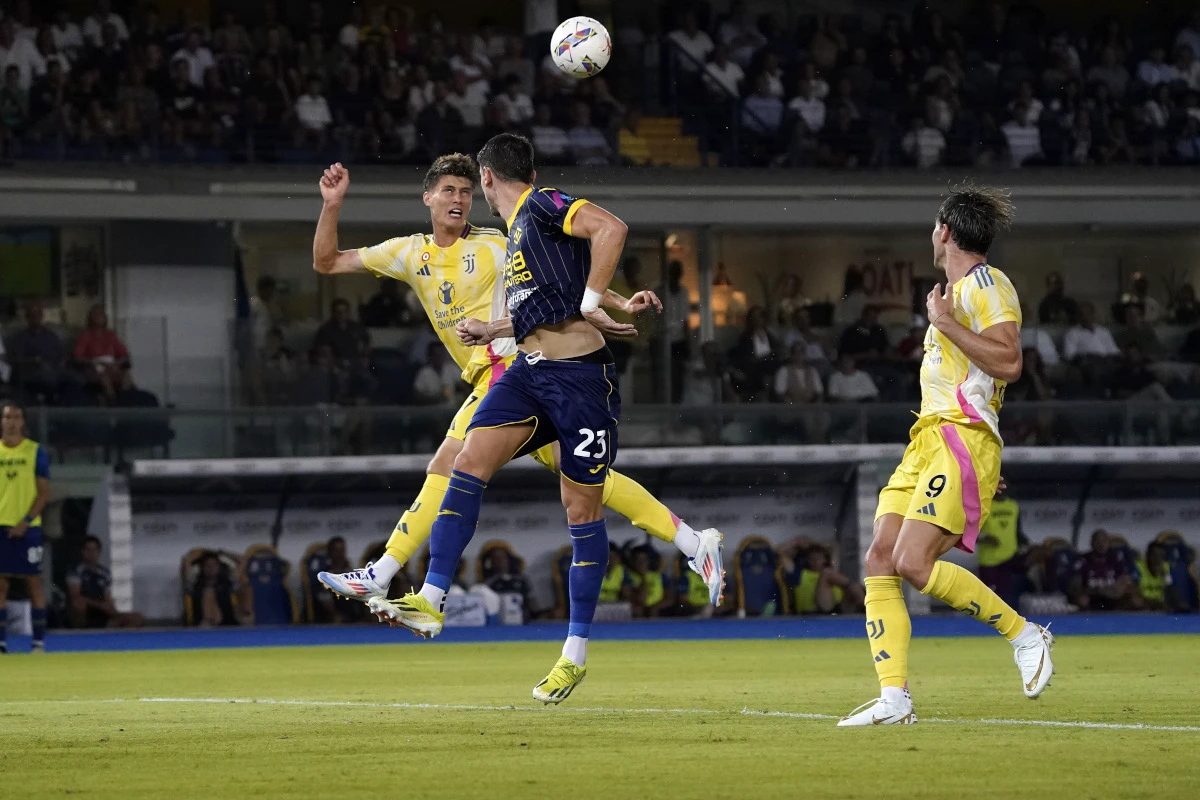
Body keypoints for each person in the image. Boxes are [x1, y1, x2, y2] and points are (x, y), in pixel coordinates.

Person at [309, 155, 724, 645]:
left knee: (451, 463)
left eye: (465, 190)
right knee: (587, 480)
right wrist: (332, 205)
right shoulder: (407, 253)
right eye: (447, 190)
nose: (458, 199)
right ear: (428, 199)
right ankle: (694, 541)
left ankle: (387, 573)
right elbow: (327, 262)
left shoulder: (495, 244)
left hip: (514, 370)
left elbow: (561, 280)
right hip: (501, 378)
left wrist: (616, 300)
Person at [839, 186, 1054, 727]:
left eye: (934, 226)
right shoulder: (953, 291)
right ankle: (894, 699)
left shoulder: (986, 283)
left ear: (945, 232)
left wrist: (944, 323)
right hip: (930, 443)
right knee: (879, 559)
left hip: (960, 438)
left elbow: (1009, 363)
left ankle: (1026, 636)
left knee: (913, 563)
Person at [0, 403, 50, 653]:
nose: (11, 422)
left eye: (16, 417)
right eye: (7, 417)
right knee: (1, 585)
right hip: (0, 526)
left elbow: (43, 493)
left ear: (23, 422)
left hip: (28, 528)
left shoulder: (35, 451)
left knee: (33, 583)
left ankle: (38, 642)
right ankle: (1, 643)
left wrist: (25, 522)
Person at [66, 535, 143, 628]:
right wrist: (99, 605)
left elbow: (108, 597)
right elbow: (76, 596)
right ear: (83, 552)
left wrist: (111, 610)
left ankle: (113, 638)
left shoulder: (105, 573)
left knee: (136, 618)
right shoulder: (75, 571)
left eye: (94, 550)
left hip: (102, 613)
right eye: (88, 550)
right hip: (85, 612)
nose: (91, 553)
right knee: (78, 604)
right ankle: (80, 634)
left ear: (99, 552)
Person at [976, 486, 1025, 610]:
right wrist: (985, 538)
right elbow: (967, 532)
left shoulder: (1013, 506)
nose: (1002, 487)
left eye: (1004, 483)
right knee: (990, 602)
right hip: (989, 560)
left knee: (1010, 599)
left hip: (1010, 557)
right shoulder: (983, 506)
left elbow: (1018, 531)